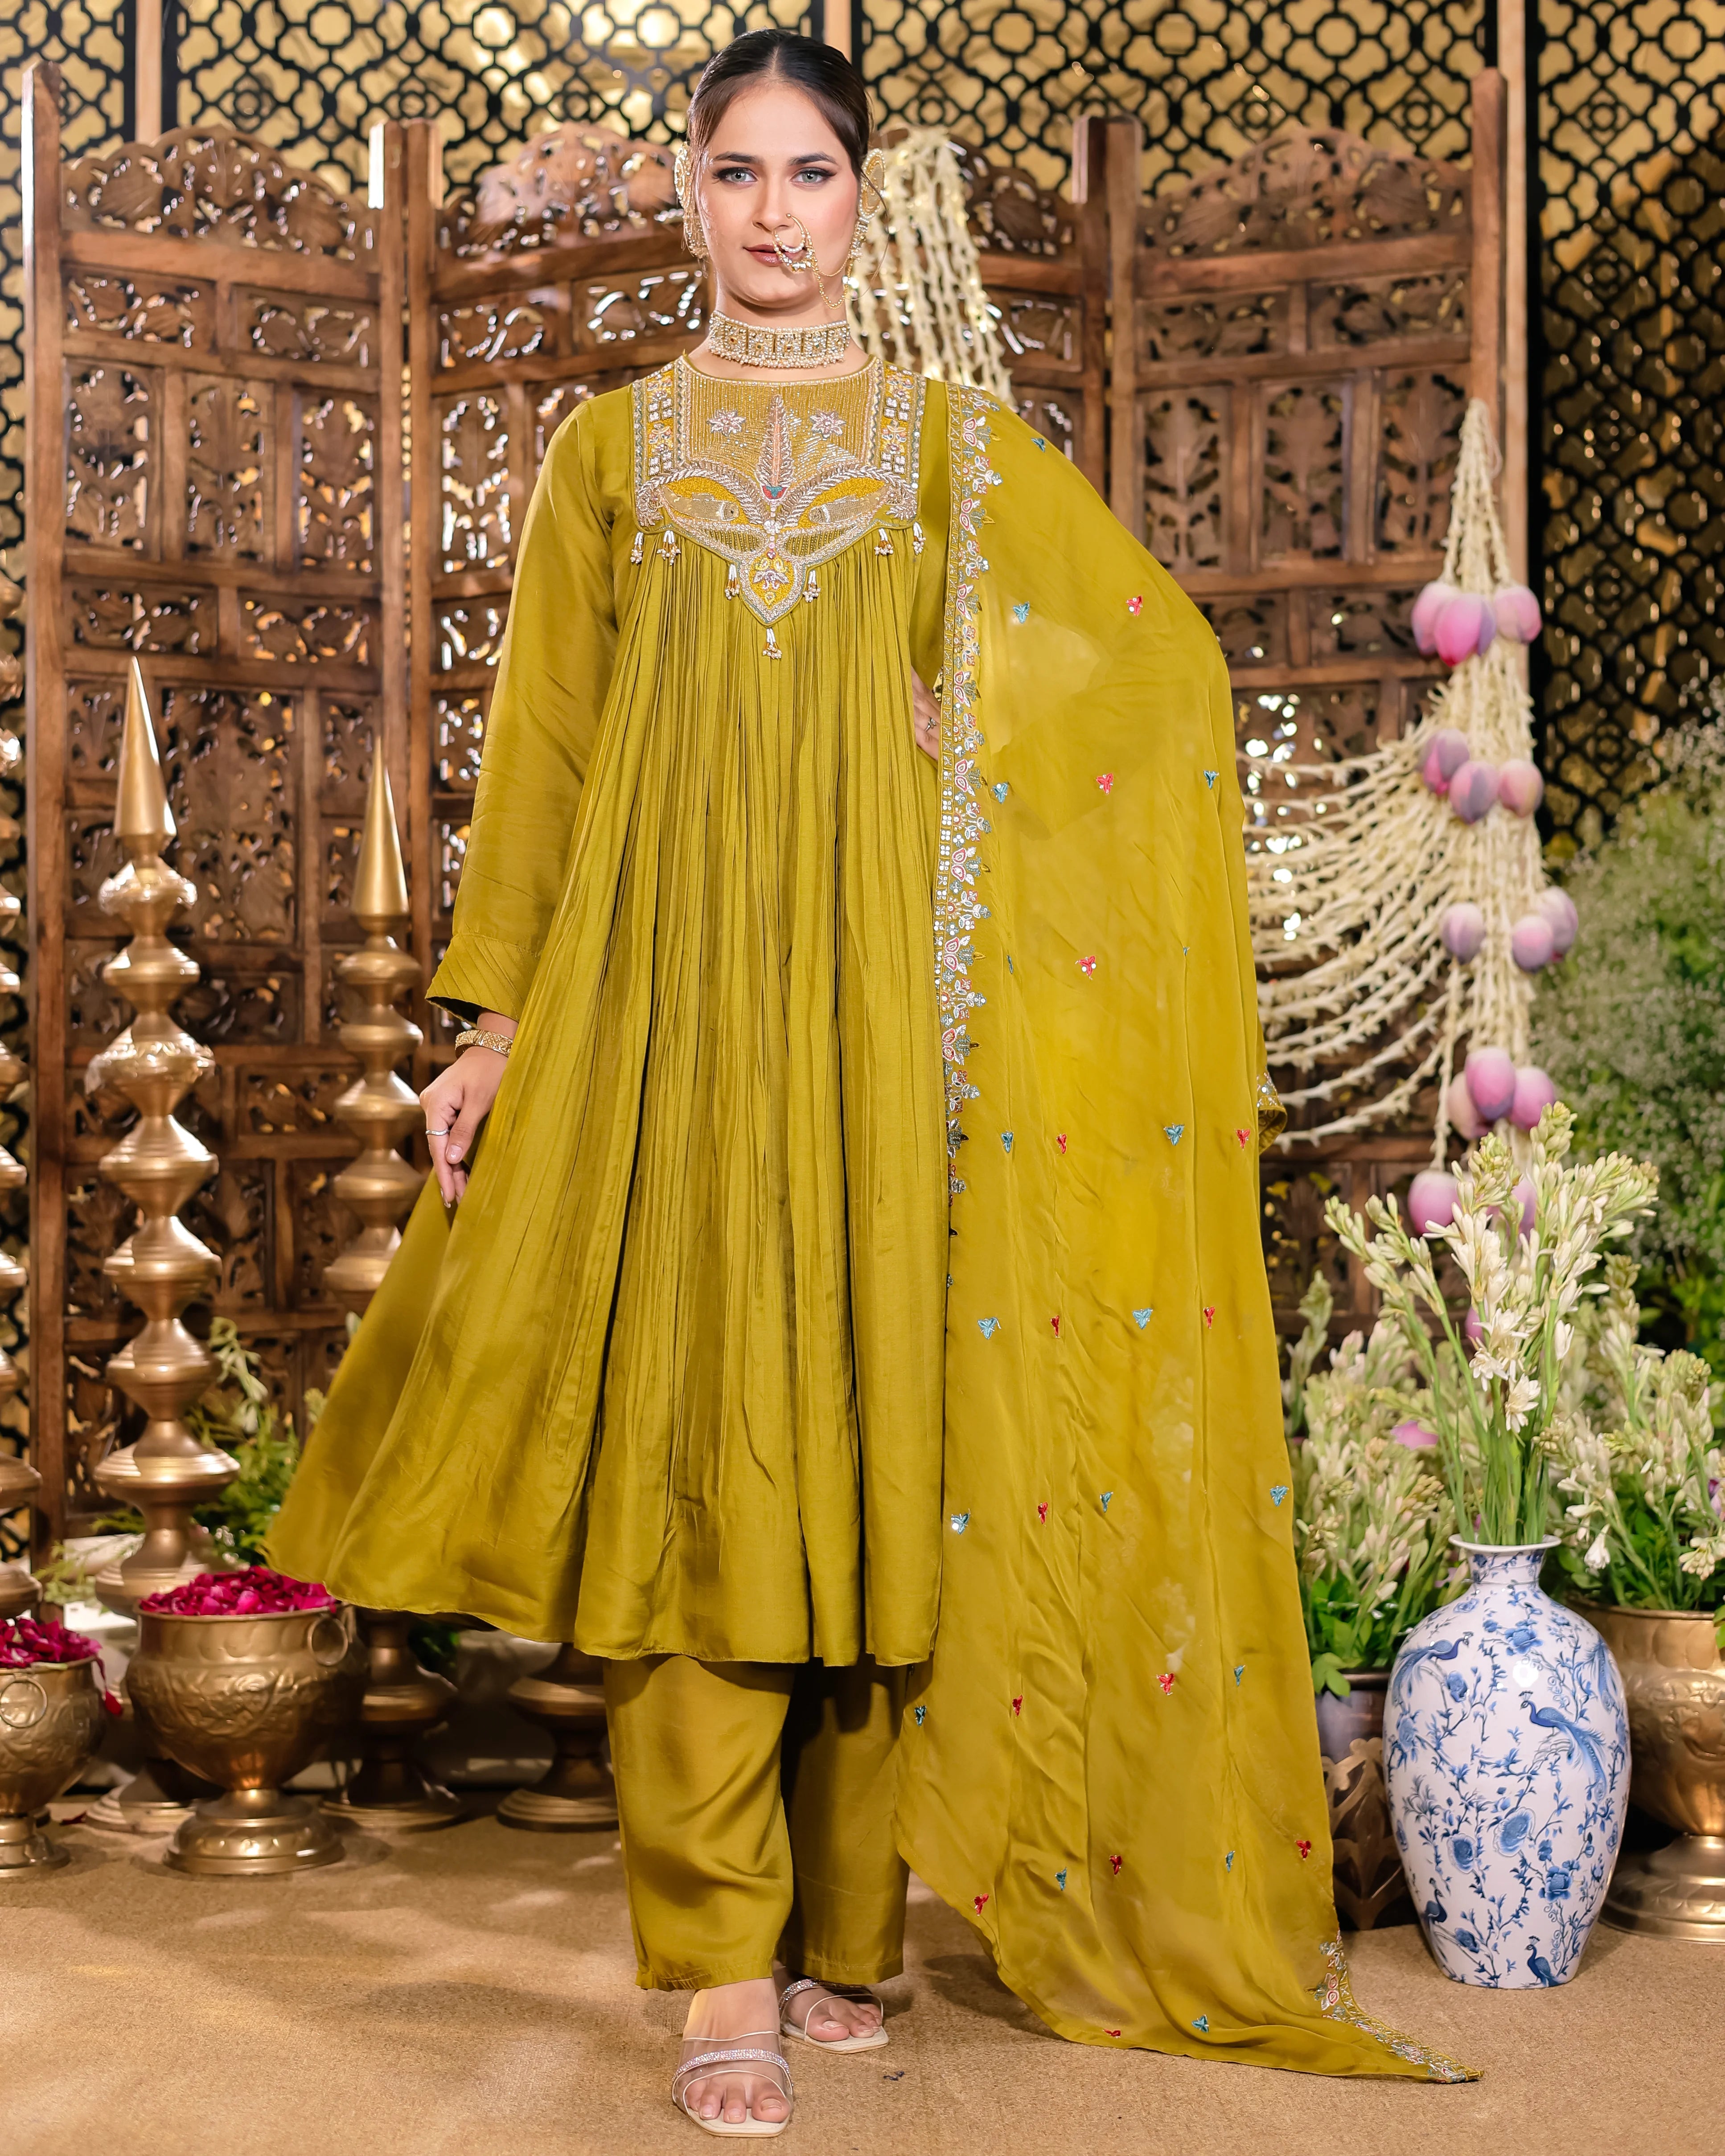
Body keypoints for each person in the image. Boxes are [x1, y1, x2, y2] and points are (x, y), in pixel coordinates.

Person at [269, 26, 1471, 2135]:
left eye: (805, 174)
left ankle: (847, 1936)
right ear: (687, 192)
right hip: (657, 1026)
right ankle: (719, 1967)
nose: (766, 211)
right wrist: (497, 1027)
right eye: (731, 172)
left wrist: (984, 735)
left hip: (882, 1028)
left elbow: (1145, 681)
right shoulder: (610, 457)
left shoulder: (947, 454)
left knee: (873, 1449)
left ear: (857, 197)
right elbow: (540, 762)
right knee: (689, 1460)